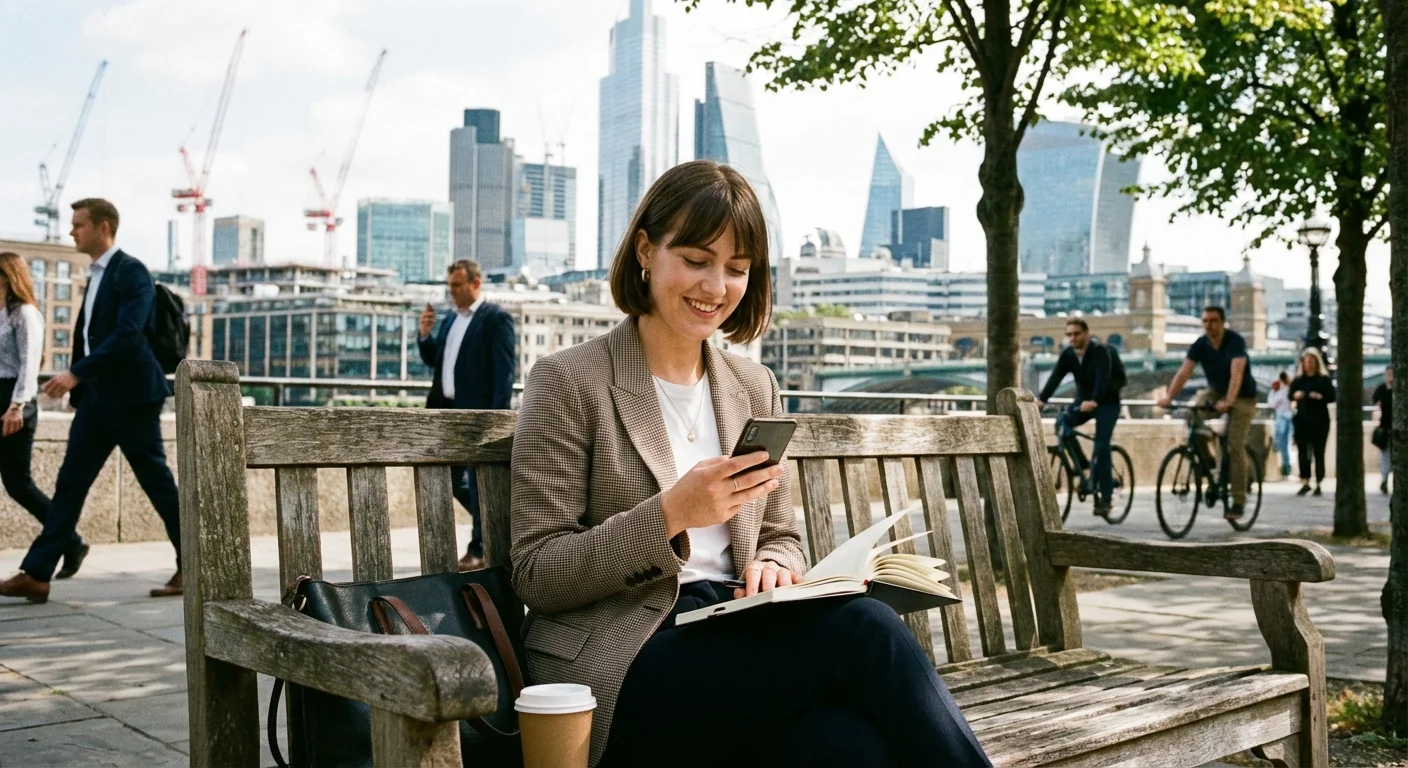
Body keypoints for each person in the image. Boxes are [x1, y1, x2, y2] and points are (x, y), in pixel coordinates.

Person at [510, 161, 989, 768]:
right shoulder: (570, 381)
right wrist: (671, 514)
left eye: (736, 270)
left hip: (737, 639)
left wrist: (774, 564)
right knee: (866, 630)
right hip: (624, 661)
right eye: (695, 259)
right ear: (644, 251)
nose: (715, 287)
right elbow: (535, 572)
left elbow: (781, 535)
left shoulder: (752, 386)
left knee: (850, 748)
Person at [0, 199, 182, 604]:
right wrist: (82, 380)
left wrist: (75, 373)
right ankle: (37, 574)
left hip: (133, 398)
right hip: (99, 400)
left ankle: (193, 563)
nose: (71, 232)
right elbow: (92, 336)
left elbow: (128, 335)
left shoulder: (130, 271)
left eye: (78, 225)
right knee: (70, 485)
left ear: (103, 227)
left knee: (158, 485)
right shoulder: (97, 275)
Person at [417, 259, 516, 572]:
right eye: (449, 286)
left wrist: (494, 419)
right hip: (445, 412)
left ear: (476, 283)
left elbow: (503, 373)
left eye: (458, 286)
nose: (452, 292)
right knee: (448, 478)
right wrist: (424, 334)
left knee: (477, 482)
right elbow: (436, 360)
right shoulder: (450, 320)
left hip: (477, 416)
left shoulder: (495, 319)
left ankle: (480, 548)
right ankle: (490, 528)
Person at [0, 253, 88, 577]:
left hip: (13, 403)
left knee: (18, 484)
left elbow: (29, 364)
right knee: (16, 484)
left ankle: (72, 540)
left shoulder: (25, 314)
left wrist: (16, 406)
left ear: (8, 277)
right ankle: (70, 540)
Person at [1156, 306, 1259, 520]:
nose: (1208, 325)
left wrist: (1229, 401)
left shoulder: (1235, 341)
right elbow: (1184, 372)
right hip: (1216, 393)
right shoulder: (1200, 345)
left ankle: (1238, 500)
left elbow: (1236, 373)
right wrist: (1169, 397)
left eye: (1213, 321)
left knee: (1234, 445)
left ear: (1222, 322)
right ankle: (1209, 460)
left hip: (1243, 397)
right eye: (1205, 321)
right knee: (1193, 412)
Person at [1034, 318, 1122, 516]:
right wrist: (1042, 400)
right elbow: (1056, 377)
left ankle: (1106, 499)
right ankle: (1082, 464)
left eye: (1076, 334)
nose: (1072, 338)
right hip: (1083, 402)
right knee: (1062, 422)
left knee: (1101, 446)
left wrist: (1095, 400)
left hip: (1107, 403)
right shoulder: (1068, 354)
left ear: (1086, 334)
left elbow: (1103, 377)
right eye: (1069, 334)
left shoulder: (1100, 351)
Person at [1289, 348, 1336, 496]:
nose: (1308, 364)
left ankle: (1319, 483)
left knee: (1318, 452)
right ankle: (1305, 481)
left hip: (1319, 420)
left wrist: (1319, 396)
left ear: (1317, 363)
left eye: (1311, 361)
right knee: (1303, 452)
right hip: (1302, 420)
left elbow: (1332, 396)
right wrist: (1296, 395)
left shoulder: (1324, 380)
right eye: (1306, 361)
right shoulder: (1298, 380)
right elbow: (1290, 395)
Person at [1267, 371, 1295, 480]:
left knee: (1282, 444)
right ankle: (1286, 467)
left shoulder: (1281, 390)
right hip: (1289, 417)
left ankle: (1286, 468)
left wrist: (1273, 392)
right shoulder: (1289, 389)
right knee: (1286, 444)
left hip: (1282, 418)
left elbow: (1272, 404)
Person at [1373, 366, 1393, 494]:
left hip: (1394, 425)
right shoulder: (1381, 388)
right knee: (1385, 455)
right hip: (1385, 426)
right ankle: (1384, 479)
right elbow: (1376, 403)